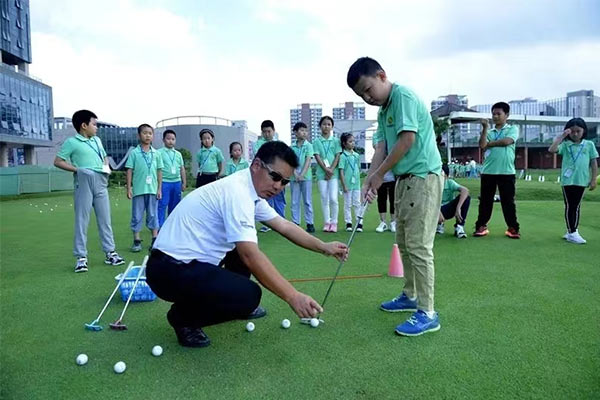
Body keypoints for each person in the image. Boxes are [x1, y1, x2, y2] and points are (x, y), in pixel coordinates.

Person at [146, 141, 348, 348]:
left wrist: (324, 247)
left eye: (285, 182)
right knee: (249, 295)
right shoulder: (238, 192)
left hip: (184, 264)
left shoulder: (249, 190)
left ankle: (226, 301)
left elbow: (285, 226)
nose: (279, 186)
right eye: (275, 177)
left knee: (242, 243)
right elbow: (250, 256)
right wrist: (293, 296)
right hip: (168, 271)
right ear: (257, 165)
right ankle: (183, 319)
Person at [348, 57, 443, 336]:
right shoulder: (383, 109)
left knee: (419, 246)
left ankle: (427, 312)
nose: (367, 98)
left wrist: (380, 175)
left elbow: (406, 140)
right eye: (361, 95)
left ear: (381, 76)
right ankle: (410, 295)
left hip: (423, 176)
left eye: (368, 90)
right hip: (405, 179)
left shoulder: (403, 96)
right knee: (403, 241)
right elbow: (381, 146)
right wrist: (371, 176)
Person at [54, 109, 125, 273]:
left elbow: (104, 157)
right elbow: (58, 161)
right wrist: (77, 170)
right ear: (84, 125)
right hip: (84, 181)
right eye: (94, 124)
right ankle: (81, 258)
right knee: (82, 220)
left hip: (100, 181)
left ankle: (110, 253)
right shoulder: (72, 142)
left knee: (105, 219)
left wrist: (106, 167)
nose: (97, 127)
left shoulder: (97, 141)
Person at [473, 102, 521, 239]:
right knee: (485, 201)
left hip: (507, 172)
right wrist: (484, 128)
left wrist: (491, 144)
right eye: (493, 114)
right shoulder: (488, 131)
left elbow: (507, 141)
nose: (495, 116)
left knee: (508, 202)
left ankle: (513, 228)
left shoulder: (513, 129)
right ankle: (481, 226)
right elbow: (482, 145)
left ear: (507, 115)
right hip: (488, 171)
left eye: (498, 114)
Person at [548, 118, 598, 244]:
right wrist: (562, 136)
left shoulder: (589, 145)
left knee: (575, 206)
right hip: (567, 180)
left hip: (581, 180)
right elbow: (552, 149)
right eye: (572, 132)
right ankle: (572, 232)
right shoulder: (565, 145)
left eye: (578, 131)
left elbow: (593, 163)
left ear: (583, 131)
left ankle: (571, 230)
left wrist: (593, 180)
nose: (575, 134)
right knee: (571, 206)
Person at [125, 124, 163, 252]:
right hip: (139, 190)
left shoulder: (156, 154)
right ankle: (136, 240)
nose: (147, 135)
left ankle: (154, 239)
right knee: (137, 215)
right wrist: (129, 187)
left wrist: (159, 189)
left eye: (150, 133)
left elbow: (159, 172)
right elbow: (129, 170)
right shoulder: (134, 153)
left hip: (152, 190)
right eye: (145, 133)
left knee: (153, 214)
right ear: (139, 135)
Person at [313, 116, 342, 232]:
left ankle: (334, 222)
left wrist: (331, 169)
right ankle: (327, 222)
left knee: (334, 198)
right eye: (324, 124)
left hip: (333, 174)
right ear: (320, 126)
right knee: (324, 198)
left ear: (332, 127)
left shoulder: (336, 141)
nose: (326, 126)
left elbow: (338, 155)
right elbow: (317, 156)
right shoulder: (316, 141)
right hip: (321, 174)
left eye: (329, 124)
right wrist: (325, 169)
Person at [157, 129, 186, 228]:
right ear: (163, 140)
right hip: (165, 182)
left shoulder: (178, 154)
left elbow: (182, 168)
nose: (171, 141)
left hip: (176, 182)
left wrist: (184, 182)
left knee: (175, 206)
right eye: (168, 139)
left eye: (173, 139)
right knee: (162, 204)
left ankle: (171, 226)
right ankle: (160, 226)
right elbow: (157, 169)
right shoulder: (159, 153)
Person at [290, 122, 316, 233]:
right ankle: (295, 223)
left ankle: (310, 223)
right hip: (293, 177)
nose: (304, 133)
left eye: (306, 130)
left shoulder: (309, 145)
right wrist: (296, 174)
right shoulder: (292, 147)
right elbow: (290, 162)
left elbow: (308, 160)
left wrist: (302, 175)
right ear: (295, 132)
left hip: (306, 177)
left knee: (307, 201)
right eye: (301, 130)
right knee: (295, 201)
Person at [437, 164, 470, 239]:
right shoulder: (432, 184)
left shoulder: (450, 183)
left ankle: (459, 226)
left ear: (447, 176)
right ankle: (438, 224)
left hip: (448, 209)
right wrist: (437, 211)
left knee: (466, 198)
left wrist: (458, 207)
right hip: (434, 211)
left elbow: (465, 190)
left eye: (443, 175)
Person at [338, 133, 362, 232]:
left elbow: (358, 168)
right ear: (344, 143)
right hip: (347, 184)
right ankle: (349, 222)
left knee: (357, 203)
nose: (352, 143)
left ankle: (359, 223)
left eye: (353, 141)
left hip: (356, 184)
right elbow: (341, 171)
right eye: (350, 141)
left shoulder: (356, 155)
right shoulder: (343, 156)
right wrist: (344, 185)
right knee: (347, 204)